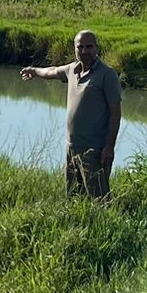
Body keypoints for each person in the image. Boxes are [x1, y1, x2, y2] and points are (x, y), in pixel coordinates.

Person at [21, 29, 123, 197]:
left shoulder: (107, 75)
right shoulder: (72, 70)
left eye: (89, 47)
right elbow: (51, 71)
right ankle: (78, 224)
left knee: (99, 199)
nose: (84, 51)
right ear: (75, 49)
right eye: (80, 47)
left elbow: (115, 114)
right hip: (71, 147)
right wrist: (33, 71)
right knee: (74, 196)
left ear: (96, 48)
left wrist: (109, 147)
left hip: (95, 150)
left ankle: (105, 223)